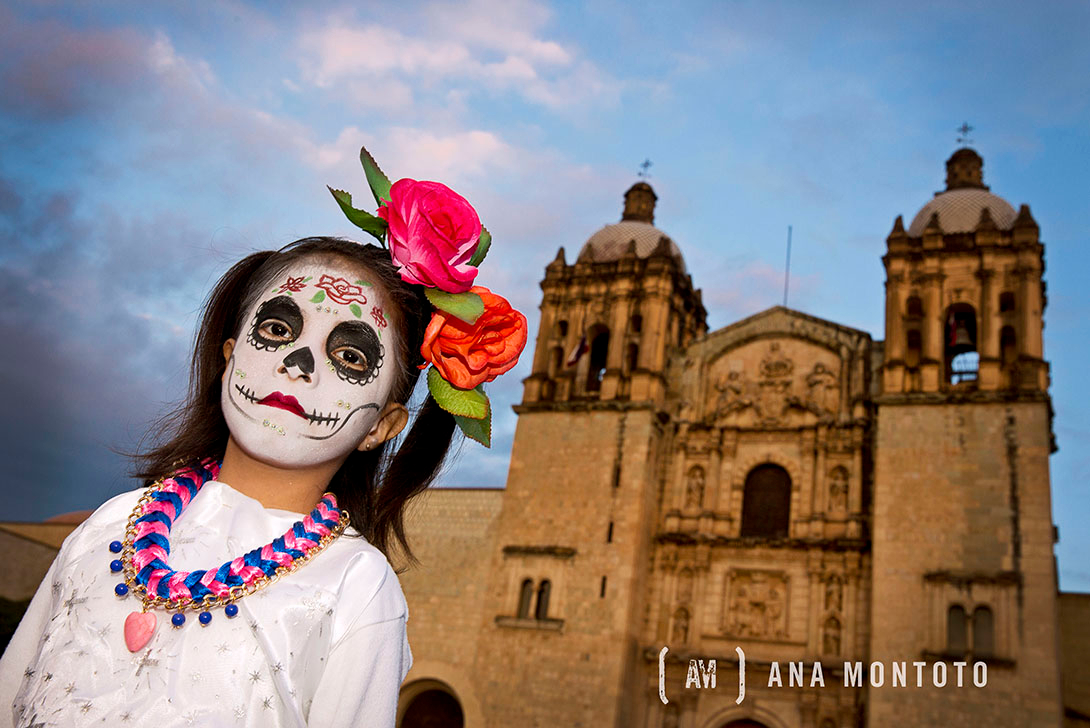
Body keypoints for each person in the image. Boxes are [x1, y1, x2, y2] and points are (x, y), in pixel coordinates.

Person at [0, 155, 528, 727]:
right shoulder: (109, 527)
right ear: (229, 357)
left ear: (382, 426)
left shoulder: (355, 585)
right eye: (278, 329)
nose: (298, 364)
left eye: (349, 355)